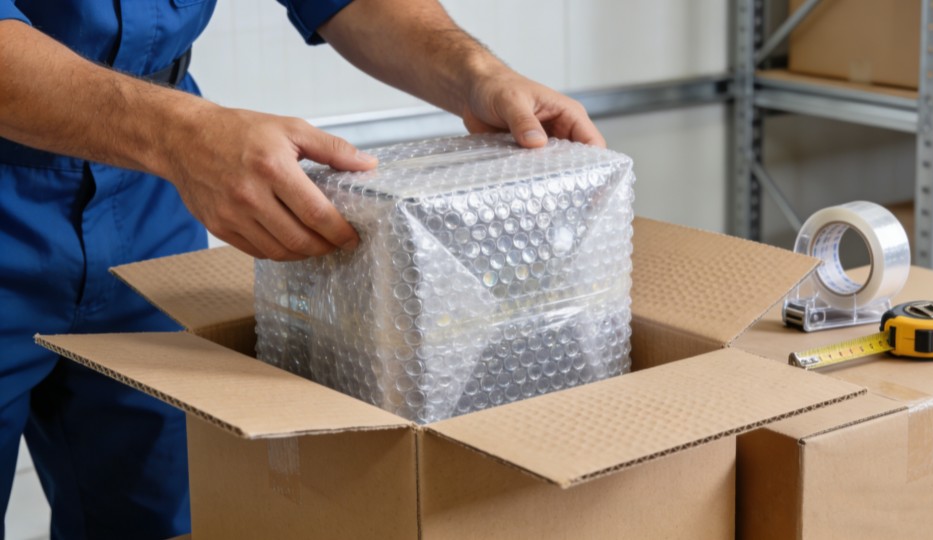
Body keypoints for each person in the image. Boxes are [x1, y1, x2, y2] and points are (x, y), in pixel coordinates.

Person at [0, 0, 605, 538]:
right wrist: (181, 136)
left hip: (146, 207)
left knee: (161, 510)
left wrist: (477, 74)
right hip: (57, 177)